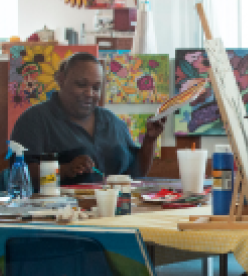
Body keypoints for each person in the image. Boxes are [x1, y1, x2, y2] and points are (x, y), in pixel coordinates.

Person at [10, 52, 162, 184]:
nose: (90, 93)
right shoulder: (35, 120)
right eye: (81, 85)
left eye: (96, 88)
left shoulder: (112, 122)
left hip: (112, 208)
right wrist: (64, 170)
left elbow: (135, 173)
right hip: (59, 213)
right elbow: (20, 175)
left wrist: (150, 140)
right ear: (62, 80)